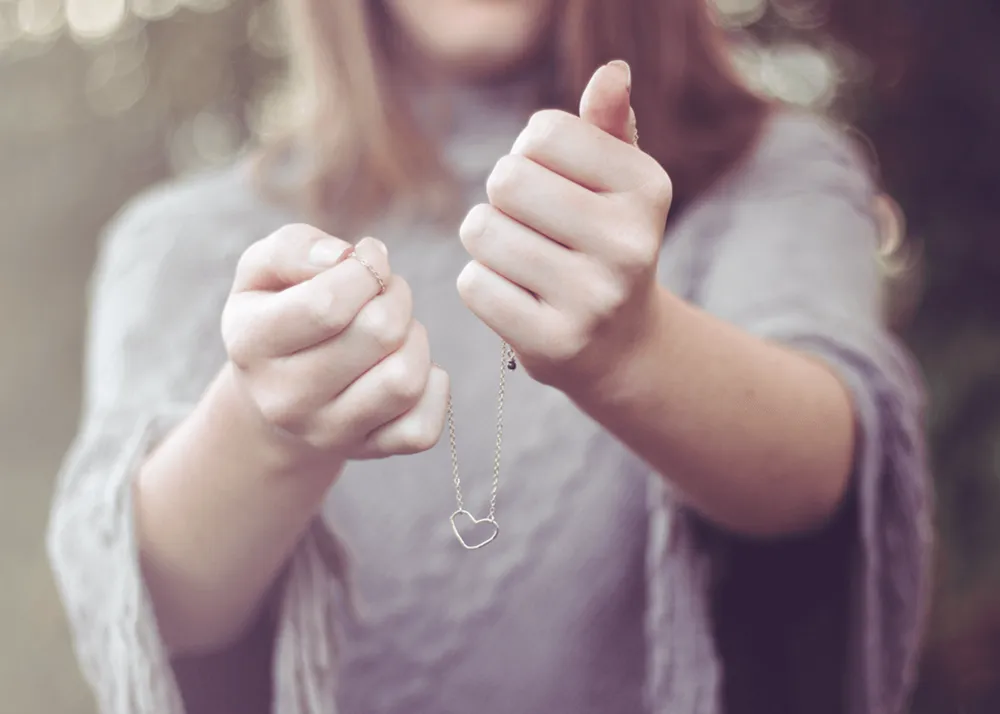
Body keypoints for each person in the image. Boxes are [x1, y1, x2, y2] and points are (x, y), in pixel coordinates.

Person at [46, 1, 933, 713]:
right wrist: (267, 428)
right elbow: (147, 606)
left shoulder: (769, 174)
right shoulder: (180, 240)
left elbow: (829, 470)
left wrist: (635, 351)